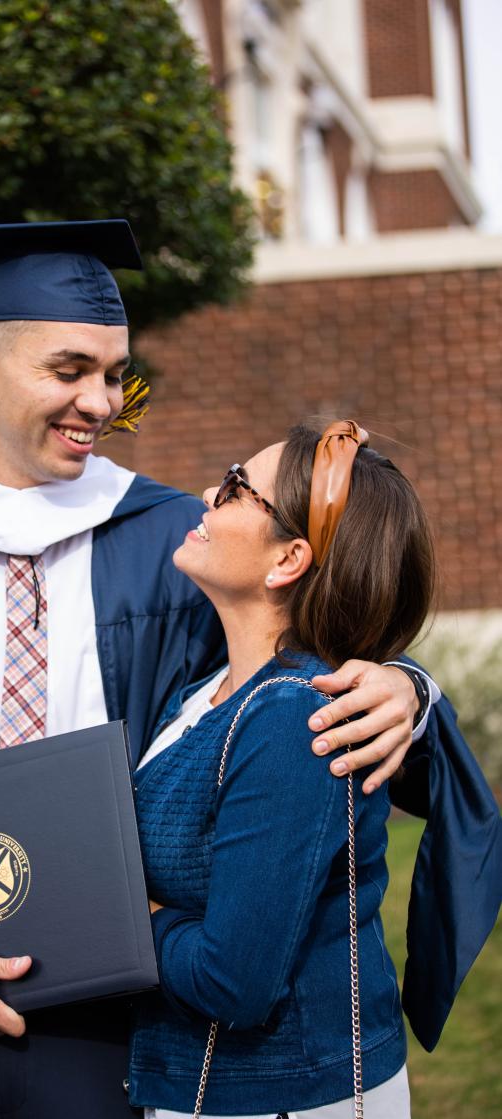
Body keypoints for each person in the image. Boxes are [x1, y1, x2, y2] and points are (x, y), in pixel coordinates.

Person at [0, 220, 491, 1119]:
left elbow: (300, 657)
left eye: (115, 374)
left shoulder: (171, 546)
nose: (102, 402)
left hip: (121, 1024)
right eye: (70, 371)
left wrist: (403, 687)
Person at [128, 422, 501, 1119]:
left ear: (289, 558)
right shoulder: (205, 692)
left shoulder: (297, 719)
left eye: (238, 488)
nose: (210, 491)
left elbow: (233, 979)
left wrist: (124, 916)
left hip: (280, 1096)